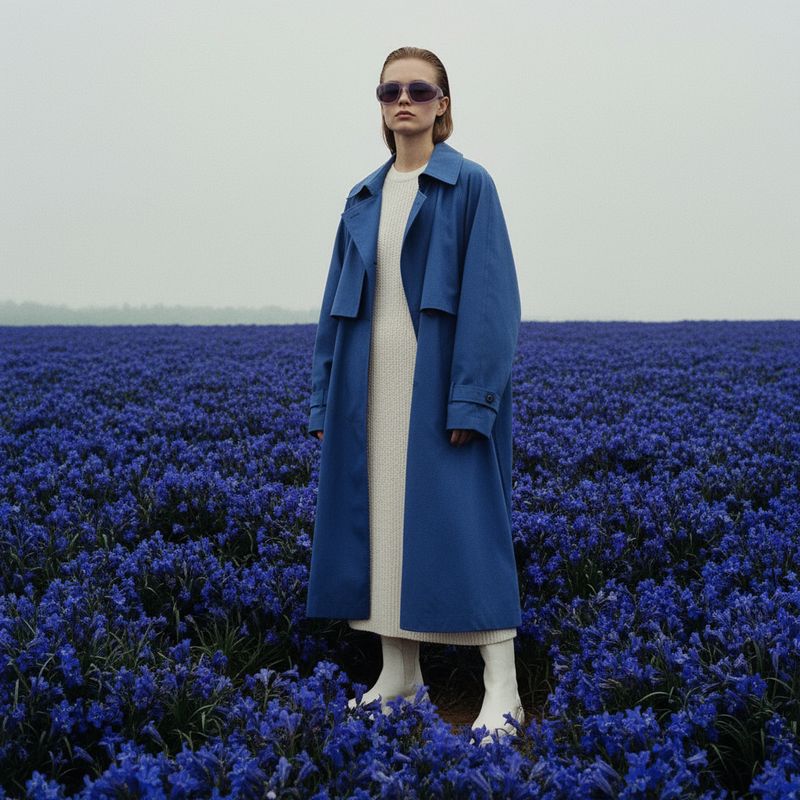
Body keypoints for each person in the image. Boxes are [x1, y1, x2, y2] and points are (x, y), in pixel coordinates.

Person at [306, 46, 524, 746]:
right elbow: (333, 312)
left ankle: (504, 688)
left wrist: (471, 400)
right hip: (368, 385)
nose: (403, 100)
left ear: (442, 105)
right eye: (389, 89)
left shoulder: (470, 185)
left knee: (468, 529)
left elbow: (492, 302)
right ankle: (399, 676)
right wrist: (322, 402)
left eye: (419, 90)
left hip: (440, 385)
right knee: (381, 532)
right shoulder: (362, 197)